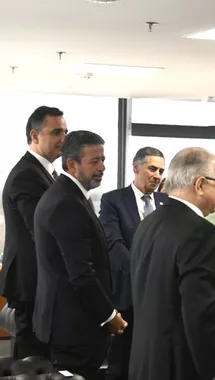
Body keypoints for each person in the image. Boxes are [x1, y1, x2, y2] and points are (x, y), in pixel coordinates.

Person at [129, 147, 215, 380]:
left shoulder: (147, 224)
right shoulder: (200, 233)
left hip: (146, 363)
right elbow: (202, 317)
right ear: (200, 184)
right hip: (184, 368)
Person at [33, 131, 128, 379]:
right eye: (94, 161)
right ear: (72, 164)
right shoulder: (66, 202)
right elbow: (81, 274)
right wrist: (109, 316)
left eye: (103, 160)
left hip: (70, 324)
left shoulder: (70, 195)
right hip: (71, 329)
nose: (102, 167)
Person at [0, 106, 67, 359]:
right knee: (31, 356)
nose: (64, 138)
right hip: (31, 282)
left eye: (65, 132)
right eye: (57, 132)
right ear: (35, 135)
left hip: (40, 279)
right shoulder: (27, 175)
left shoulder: (46, 172)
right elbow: (41, 230)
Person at [99, 147, 167, 380]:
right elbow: (114, 245)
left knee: (155, 362)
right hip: (128, 295)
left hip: (161, 297)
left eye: (161, 170)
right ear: (135, 168)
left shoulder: (167, 203)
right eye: (152, 168)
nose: (157, 175)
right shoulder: (113, 200)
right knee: (122, 362)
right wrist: (144, 275)